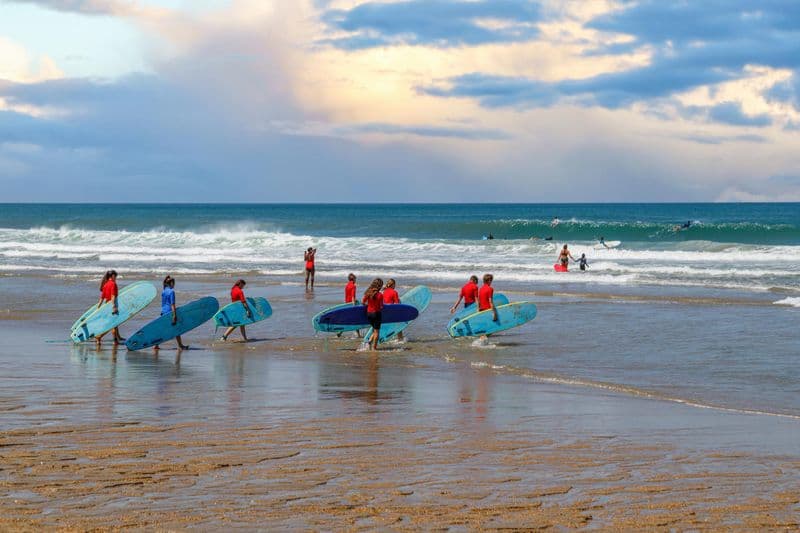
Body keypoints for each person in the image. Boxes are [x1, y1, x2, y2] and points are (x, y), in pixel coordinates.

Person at [155, 275, 188, 351]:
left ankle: (156, 345)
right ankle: (180, 346)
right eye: (174, 283)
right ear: (171, 283)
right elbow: (172, 304)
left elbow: (164, 303)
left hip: (163, 312)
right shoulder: (171, 291)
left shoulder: (164, 291)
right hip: (169, 312)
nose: (174, 285)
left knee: (162, 329)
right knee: (177, 329)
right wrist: (174, 315)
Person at [95, 270, 123, 346]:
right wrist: (114, 306)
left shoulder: (105, 284)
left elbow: (102, 298)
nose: (116, 278)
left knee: (115, 322)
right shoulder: (113, 284)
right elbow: (113, 296)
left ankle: (117, 338)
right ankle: (100, 337)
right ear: (113, 276)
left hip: (107, 305)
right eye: (115, 276)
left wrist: (98, 307)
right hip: (112, 305)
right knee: (113, 324)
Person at [362, 278, 384, 351]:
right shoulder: (380, 295)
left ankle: (369, 342)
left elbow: (363, 302)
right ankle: (374, 348)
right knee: (377, 331)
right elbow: (381, 306)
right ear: (379, 286)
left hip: (368, 314)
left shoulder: (368, 293)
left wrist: (369, 305)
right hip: (377, 314)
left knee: (374, 329)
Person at [477, 274, 498, 342]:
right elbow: (490, 301)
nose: (491, 282)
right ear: (488, 280)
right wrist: (494, 313)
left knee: (485, 327)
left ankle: (482, 339)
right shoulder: (490, 289)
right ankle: (482, 341)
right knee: (491, 328)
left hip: (482, 310)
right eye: (491, 280)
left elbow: (479, 301)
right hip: (488, 310)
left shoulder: (480, 289)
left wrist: (478, 310)